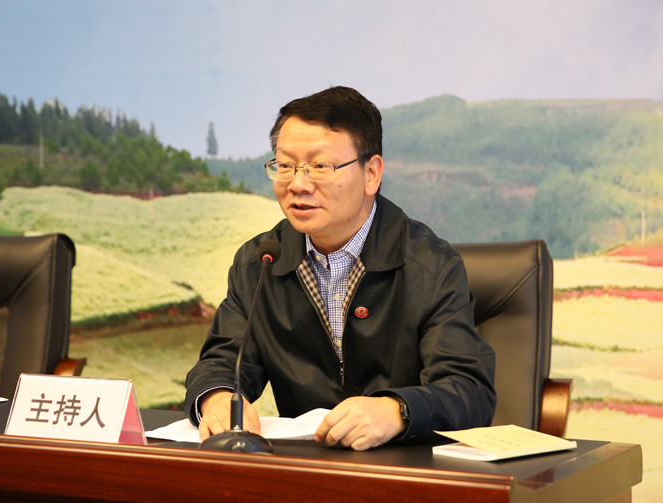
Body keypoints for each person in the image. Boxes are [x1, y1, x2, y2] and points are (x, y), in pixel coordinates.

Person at [184, 86, 496, 451]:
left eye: (320, 166)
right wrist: (217, 398)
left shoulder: (431, 266)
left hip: (405, 468)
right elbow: (223, 361)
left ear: (371, 173)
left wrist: (396, 411)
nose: (298, 184)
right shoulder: (261, 262)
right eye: (285, 166)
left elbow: (469, 391)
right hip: (306, 468)